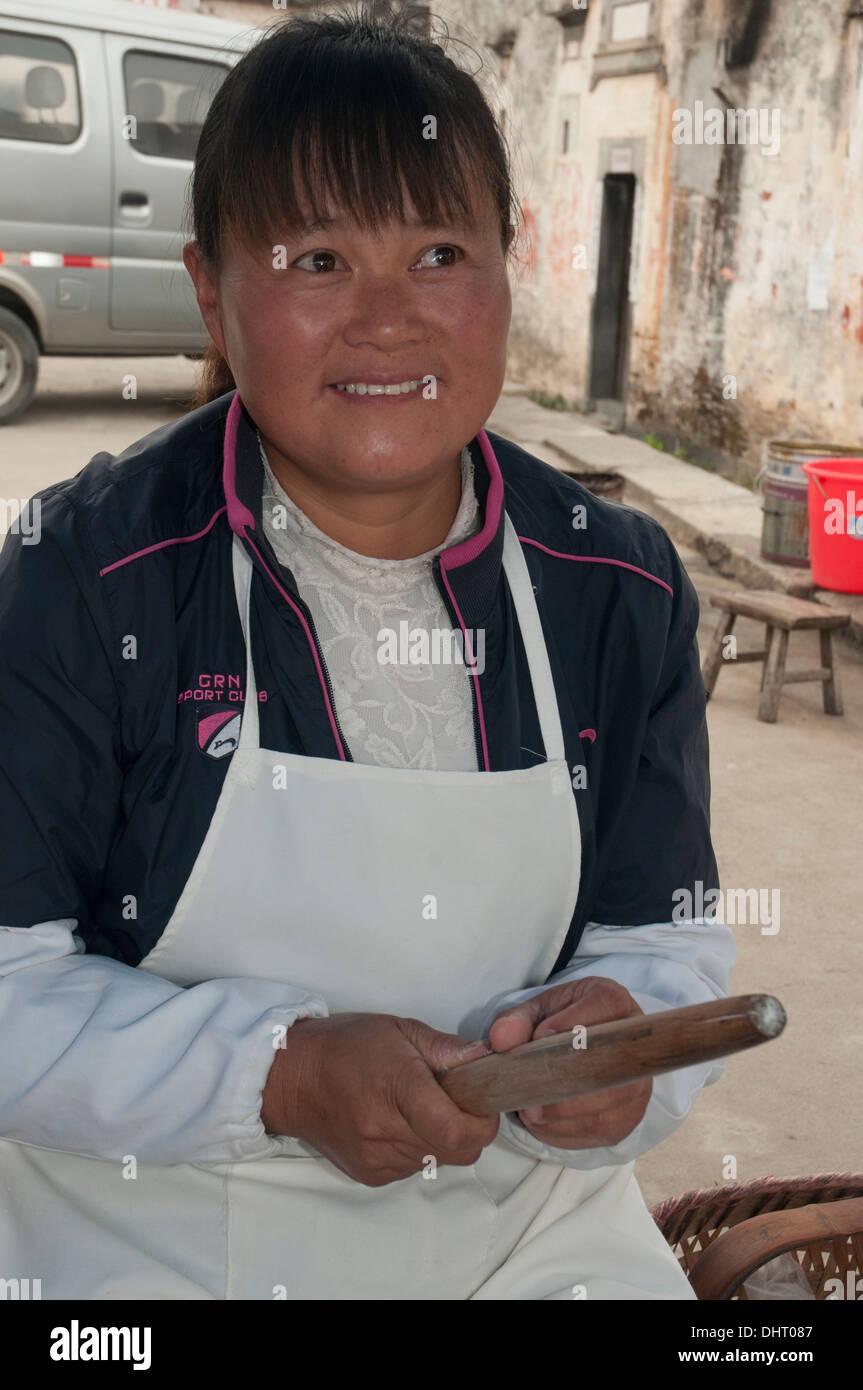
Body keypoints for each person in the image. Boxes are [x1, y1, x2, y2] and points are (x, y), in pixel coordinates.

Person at [0, 8, 734, 1300]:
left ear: (514, 269)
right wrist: (274, 1070)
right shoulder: (82, 576)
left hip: (527, 1237)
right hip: (152, 1242)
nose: (389, 318)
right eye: (319, 258)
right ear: (210, 293)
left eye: (441, 251)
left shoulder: (617, 589)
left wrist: (626, 1046)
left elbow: (665, 944)